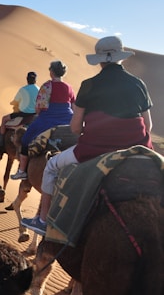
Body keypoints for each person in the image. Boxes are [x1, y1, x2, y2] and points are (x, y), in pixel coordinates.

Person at [21, 36, 153, 235]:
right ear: (121, 58)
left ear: (99, 60)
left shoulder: (89, 84)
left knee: (50, 167)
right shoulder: (138, 84)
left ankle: (42, 220)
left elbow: (75, 128)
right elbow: (148, 125)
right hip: (137, 148)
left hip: (94, 149)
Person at [11, 61, 75, 180]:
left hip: (48, 118)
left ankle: (22, 171)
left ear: (51, 72)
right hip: (68, 119)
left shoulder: (47, 86)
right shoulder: (69, 87)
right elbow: (73, 106)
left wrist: (41, 116)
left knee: (26, 139)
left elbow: (39, 107)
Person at [0, 71, 39, 146]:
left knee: (4, 119)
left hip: (22, 114)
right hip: (35, 115)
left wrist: (13, 103)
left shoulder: (23, 89)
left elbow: (16, 101)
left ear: (27, 79)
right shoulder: (39, 89)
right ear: (35, 80)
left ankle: (0, 141)